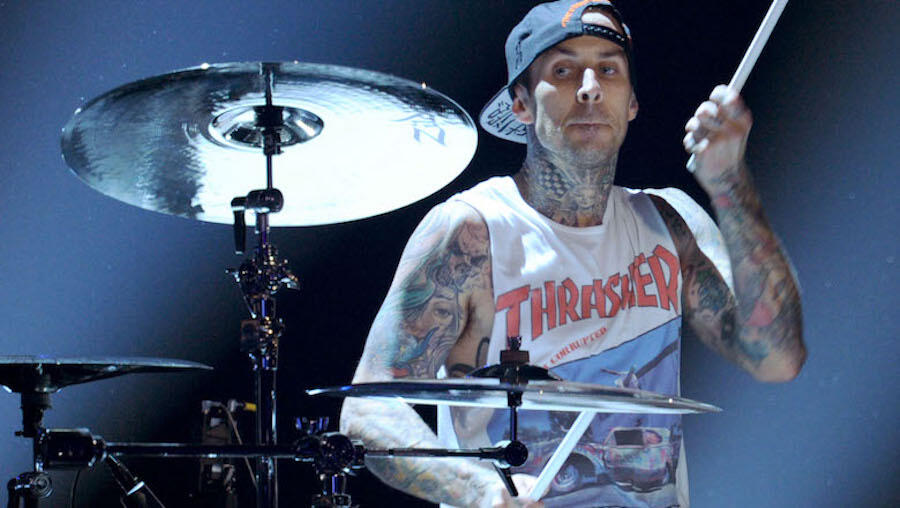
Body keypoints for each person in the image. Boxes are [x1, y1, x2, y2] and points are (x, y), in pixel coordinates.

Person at [340, 1, 806, 507]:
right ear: (521, 104)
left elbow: (777, 358)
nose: (590, 88)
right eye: (563, 71)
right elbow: (368, 410)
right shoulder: (473, 232)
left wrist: (729, 181)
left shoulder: (671, 224)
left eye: (609, 69)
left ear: (631, 103)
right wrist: (477, 490)